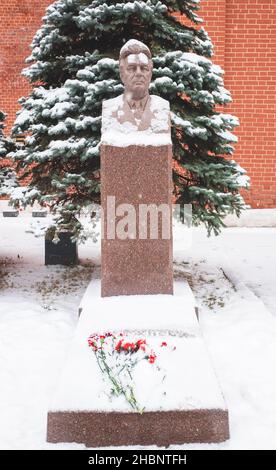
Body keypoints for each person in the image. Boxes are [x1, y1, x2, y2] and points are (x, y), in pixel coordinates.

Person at [101, 39, 171, 139]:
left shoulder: (162, 107)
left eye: (144, 68)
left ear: (150, 73)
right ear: (121, 74)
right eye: (131, 68)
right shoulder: (110, 109)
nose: (138, 73)